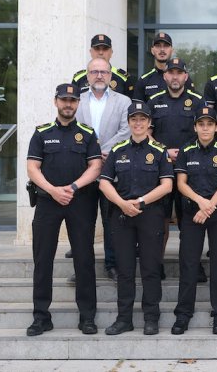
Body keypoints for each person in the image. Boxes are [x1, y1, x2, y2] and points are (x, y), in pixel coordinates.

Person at [25, 83, 102, 336]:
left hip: (80, 201)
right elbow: (33, 168)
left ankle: (87, 316)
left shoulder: (88, 134)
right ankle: (41, 316)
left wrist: (72, 187)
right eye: (64, 100)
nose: (68, 104)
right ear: (55, 101)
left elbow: (95, 167)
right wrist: (54, 190)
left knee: (84, 259)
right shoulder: (41, 133)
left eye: (72, 100)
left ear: (78, 103)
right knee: (43, 259)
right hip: (48, 202)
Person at [99, 101, 173, 336]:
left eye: (142, 119)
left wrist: (140, 202)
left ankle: (151, 318)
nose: (138, 123)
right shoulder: (118, 150)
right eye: (134, 119)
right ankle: (124, 319)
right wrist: (122, 204)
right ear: (129, 123)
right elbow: (104, 182)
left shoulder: (159, 152)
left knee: (151, 268)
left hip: (150, 214)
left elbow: (167, 185)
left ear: (149, 122)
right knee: (125, 269)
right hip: (122, 215)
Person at [172, 106, 217, 335]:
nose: (206, 128)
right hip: (193, 213)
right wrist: (201, 203)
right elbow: (181, 184)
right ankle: (183, 314)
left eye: (210, 124)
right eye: (202, 124)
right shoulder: (186, 150)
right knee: (188, 263)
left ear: (215, 127)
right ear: (195, 127)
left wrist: (208, 208)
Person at [147, 57, 206, 280]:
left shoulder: (197, 101)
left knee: (190, 219)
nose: (174, 76)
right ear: (165, 76)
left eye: (179, 73)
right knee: (158, 219)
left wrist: (184, 153)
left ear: (185, 76)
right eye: (171, 72)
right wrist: (164, 151)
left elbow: (205, 130)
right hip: (160, 169)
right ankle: (156, 264)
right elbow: (147, 132)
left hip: (190, 168)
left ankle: (193, 265)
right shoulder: (153, 101)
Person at [74, 58, 132, 282]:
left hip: (112, 169)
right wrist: (92, 154)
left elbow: (126, 131)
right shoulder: (77, 101)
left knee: (111, 221)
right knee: (83, 222)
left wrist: (98, 151)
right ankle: (82, 266)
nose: (99, 75)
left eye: (104, 72)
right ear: (87, 75)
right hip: (83, 171)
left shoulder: (124, 101)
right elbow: (73, 129)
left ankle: (112, 264)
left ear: (110, 76)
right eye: (95, 72)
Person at [134, 32, 195, 103]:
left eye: (166, 46)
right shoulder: (144, 81)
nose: (162, 49)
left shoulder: (184, 79)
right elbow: (138, 111)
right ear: (152, 50)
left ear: (172, 50)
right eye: (158, 46)